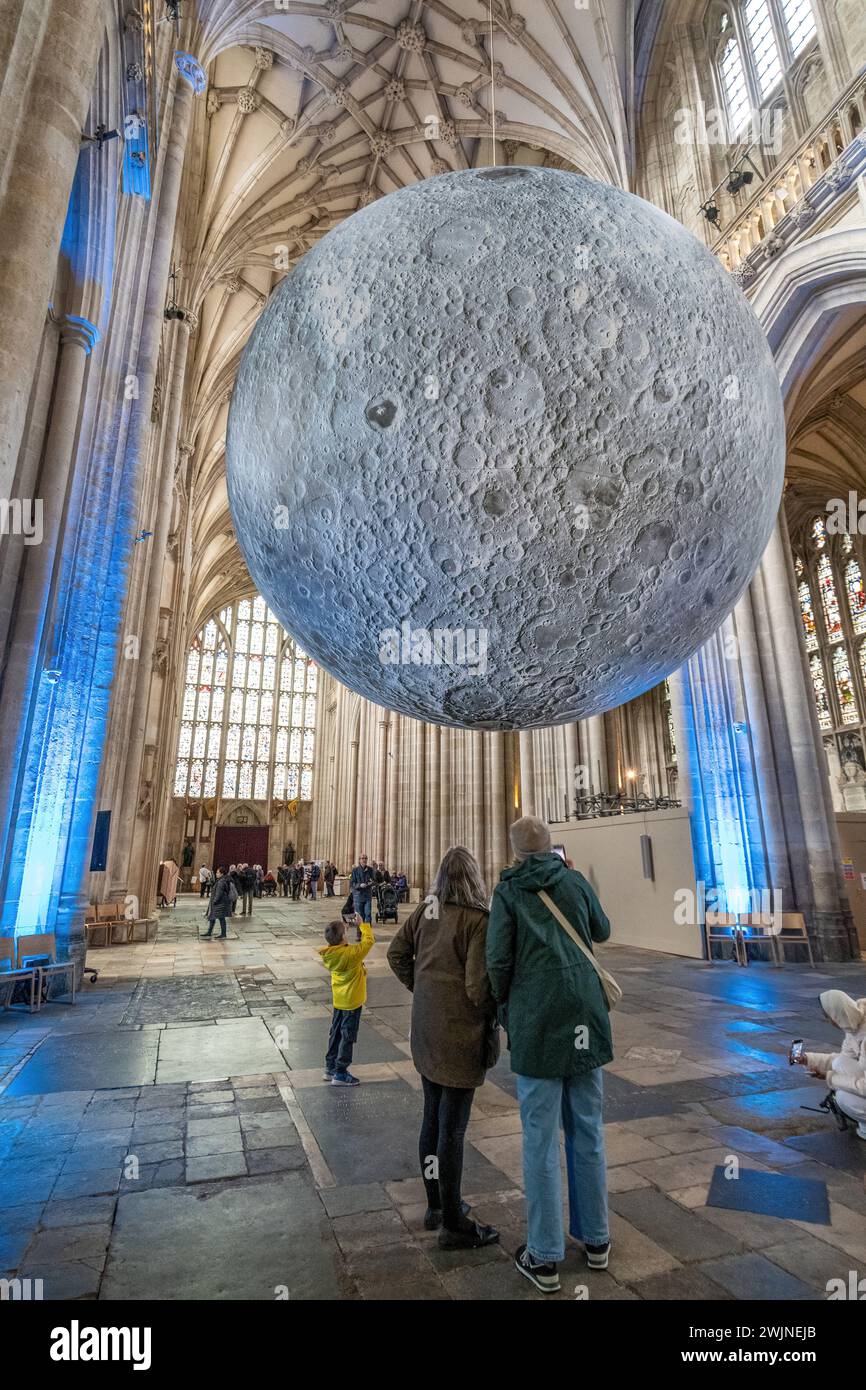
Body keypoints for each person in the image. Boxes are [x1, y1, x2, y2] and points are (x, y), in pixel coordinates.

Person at [487, 815, 613, 1294]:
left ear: (517, 851)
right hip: (584, 1013)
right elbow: (601, 930)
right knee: (588, 1128)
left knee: (539, 1138)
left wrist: (505, 1005)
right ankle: (597, 1239)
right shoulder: (574, 881)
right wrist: (575, 883)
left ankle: (543, 1255)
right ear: (552, 848)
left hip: (538, 1019)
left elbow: (498, 960)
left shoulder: (509, 891)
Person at [387, 846, 500, 1251]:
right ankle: (454, 1222)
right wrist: (495, 1010)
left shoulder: (425, 911)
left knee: (431, 1120)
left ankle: (436, 1205)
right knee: (452, 1129)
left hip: (426, 1031)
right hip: (459, 1036)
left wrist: (424, 990)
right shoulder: (476, 920)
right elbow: (476, 987)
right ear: (474, 877)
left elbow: (396, 953)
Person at [795, 990, 866, 1139]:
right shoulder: (856, 1025)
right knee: (841, 1063)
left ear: (836, 1015)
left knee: (843, 1098)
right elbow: (842, 1059)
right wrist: (808, 1059)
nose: (830, 1022)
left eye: (828, 1017)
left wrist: (831, 1078)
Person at [318, 912, 375, 1086]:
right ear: (343, 937)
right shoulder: (351, 954)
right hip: (352, 1001)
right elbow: (368, 942)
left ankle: (330, 1067)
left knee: (335, 1033)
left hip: (339, 999)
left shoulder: (330, 954)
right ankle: (341, 1072)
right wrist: (362, 924)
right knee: (347, 1036)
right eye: (345, 932)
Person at [204, 867, 237, 940]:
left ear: (222, 874)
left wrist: (215, 901)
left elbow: (219, 893)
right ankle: (210, 931)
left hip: (220, 903)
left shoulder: (221, 881)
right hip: (222, 902)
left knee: (220, 918)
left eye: (218, 873)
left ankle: (223, 934)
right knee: (213, 916)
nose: (216, 874)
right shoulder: (223, 880)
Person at [350, 853, 376, 922]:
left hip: (367, 895)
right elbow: (352, 883)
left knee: (368, 914)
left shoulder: (370, 870)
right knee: (360, 915)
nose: (364, 860)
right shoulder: (355, 870)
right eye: (362, 858)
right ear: (359, 860)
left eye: (365, 858)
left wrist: (370, 883)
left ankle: (367, 932)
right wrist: (359, 885)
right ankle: (360, 932)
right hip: (358, 896)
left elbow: (374, 880)